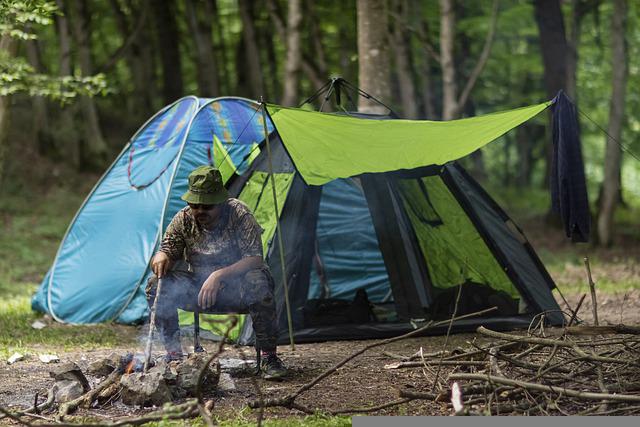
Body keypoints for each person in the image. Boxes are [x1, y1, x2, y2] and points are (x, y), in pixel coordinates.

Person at [146, 165, 287, 379]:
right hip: (199, 290)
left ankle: (269, 357)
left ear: (220, 202)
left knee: (258, 281)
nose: (200, 211)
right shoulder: (183, 219)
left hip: (239, 289)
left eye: (207, 206)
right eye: (195, 205)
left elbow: (255, 258)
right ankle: (174, 355)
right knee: (156, 284)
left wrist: (218, 275)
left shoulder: (239, 214)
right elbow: (168, 251)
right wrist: (161, 256)